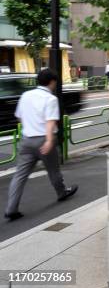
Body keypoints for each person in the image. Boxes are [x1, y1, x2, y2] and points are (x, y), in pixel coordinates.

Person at [4, 69, 78, 221]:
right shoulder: (50, 99)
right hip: (44, 140)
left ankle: (11, 208)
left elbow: (19, 117)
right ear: (52, 82)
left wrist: (28, 129)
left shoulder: (25, 95)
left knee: (20, 175)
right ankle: (61, 193)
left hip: (26, 140)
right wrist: (50, 140)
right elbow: (50, 121)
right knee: (53, 170)